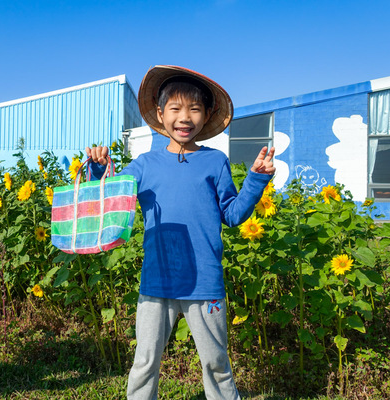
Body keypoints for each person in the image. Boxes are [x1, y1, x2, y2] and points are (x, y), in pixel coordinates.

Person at [86, 65, 276, 400]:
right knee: (145, 361)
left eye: (194, 109)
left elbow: (232, 215)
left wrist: (256, 179)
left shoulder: (215, 162)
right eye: (175, 108)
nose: (184, 117)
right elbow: (107, 201)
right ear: (160, 114)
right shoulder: (144, 165)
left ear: (206, 116)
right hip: (157, 280)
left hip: (205, 281)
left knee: (216, 362)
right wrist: (98, 170)